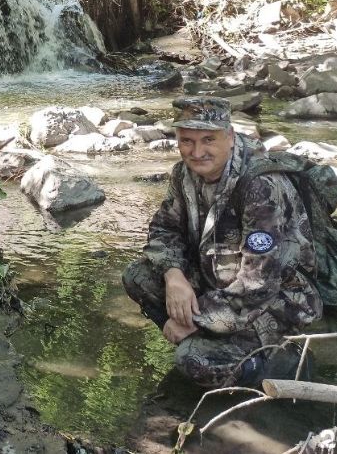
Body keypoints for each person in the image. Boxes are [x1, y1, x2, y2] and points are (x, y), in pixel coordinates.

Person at [123, 97, 322, 388]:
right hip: (219, 283)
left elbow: (258, 284)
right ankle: (212, 341)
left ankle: (274, 360)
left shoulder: (260, 186)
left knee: (192, 362)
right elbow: (163, 229)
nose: (197, 151)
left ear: (229, 137)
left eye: (208, 140)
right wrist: (174, 276)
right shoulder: (183, 174)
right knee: (138, 276)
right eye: (187, 140)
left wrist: (193, 320)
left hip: (279, 302)